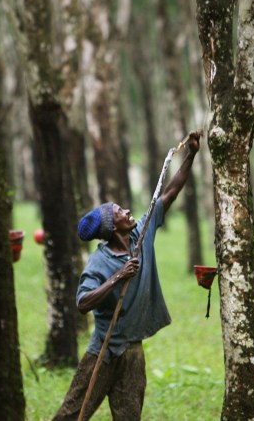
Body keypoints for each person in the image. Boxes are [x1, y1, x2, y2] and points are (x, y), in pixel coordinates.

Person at [52, 131, 201, 421]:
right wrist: (117, 277)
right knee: (71, 415)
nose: (128, 210)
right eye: (120, 211)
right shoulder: (99, 263)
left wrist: (191, 155)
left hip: (132, 352)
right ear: (112, 227)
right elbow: (82, 303)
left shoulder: (140, 233)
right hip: (103, 351)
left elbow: (169, 193)